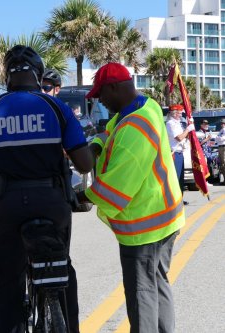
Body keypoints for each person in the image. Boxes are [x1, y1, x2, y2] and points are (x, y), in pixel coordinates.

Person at [0, 45, 93, 333]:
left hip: (5, 205)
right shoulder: (57, 107)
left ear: (6, 76)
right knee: (62, 272)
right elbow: (84, 165)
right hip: (51, 200)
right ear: (38, 74)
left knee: (8, 282)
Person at [76, 62, 185, 333]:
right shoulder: (143, 106)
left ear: (115, 87)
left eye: (101, 93)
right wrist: (97, 145)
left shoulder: (134, 128)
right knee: (157, 284)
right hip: (165, 217)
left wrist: (79, 196)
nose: (100, 99)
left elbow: (115, 190)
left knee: (141, 294)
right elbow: (109, 130)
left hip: (144, 228)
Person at [166, 104, 194, 205]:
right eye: (179, 112)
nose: (181, 114)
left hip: (180, 152)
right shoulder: (170, 123)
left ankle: (179, 199)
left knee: (181, 178)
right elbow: (179, 138)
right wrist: (188, 129)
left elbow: (183, 138)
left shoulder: (178, 124)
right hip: (174, 153)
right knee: (176, 178)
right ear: (175, 113)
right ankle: (174, 201)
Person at [217, 118, 225, 184]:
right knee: (221, 164)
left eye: (224, 123)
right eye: (222, 123)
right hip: (220, 147)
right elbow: (216, 139)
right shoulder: (221, 130)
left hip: (223, 147)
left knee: (224, 163)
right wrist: (218, 138)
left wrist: (218, 138)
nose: (222, 124)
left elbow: (222, 139)